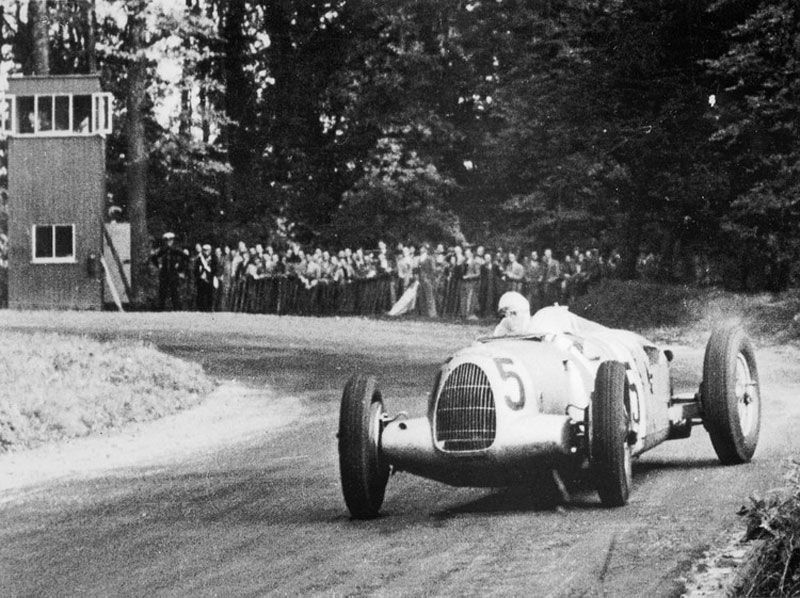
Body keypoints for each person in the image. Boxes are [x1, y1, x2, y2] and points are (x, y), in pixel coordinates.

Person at [151, 232, 186, 310]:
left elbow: (185, 258)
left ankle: (176, 309)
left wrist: (179, 266)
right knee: (162, 291)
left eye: (170, 240)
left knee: (175, 292)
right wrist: (158, 265)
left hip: (173, 272)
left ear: (173, 240)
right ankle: (161, 309)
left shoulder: (177, 249)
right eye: (167, 240)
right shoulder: (162, 250)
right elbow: (153, 257)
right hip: (164, 272)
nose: (169, 242)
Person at [194, 243, 218, 312]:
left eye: (207, 250)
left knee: (209, 294)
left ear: (210, 250)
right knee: (200, 294)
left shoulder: (214, 258)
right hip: (201, 278)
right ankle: (200, 308)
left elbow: (215, 268)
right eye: (204, 250)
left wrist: (210, 275)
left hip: (209, 278)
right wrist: (199, 275)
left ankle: (209, 308)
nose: (206, 251)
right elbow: (196, 269)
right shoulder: (200, 258)